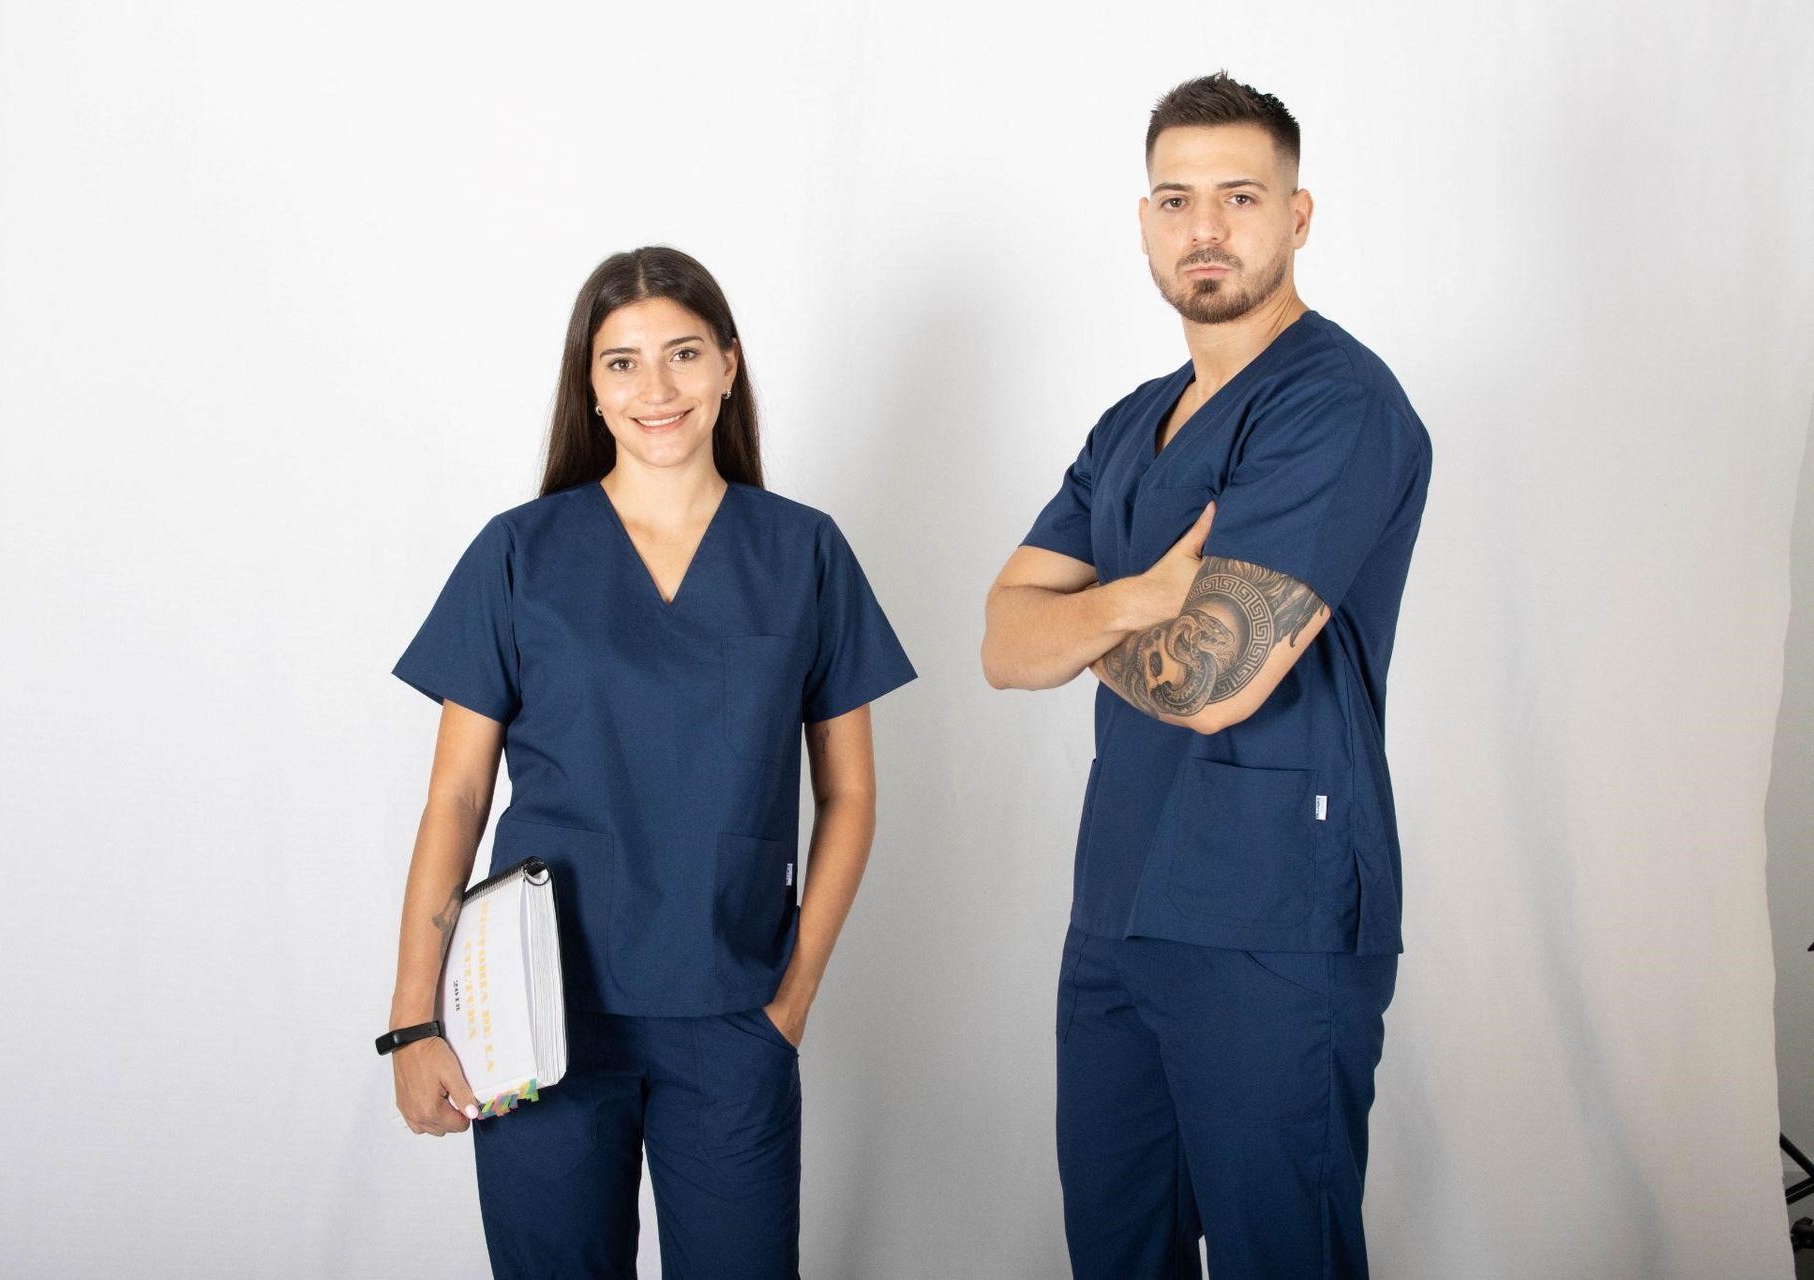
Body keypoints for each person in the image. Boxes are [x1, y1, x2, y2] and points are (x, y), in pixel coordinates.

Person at [383, 246, 916, 1278]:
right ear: (589, 384)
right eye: (621, 361)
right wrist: (412, 1019)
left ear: (728, 363)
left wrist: (790, 999)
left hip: (731, 1015)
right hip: (536, 1019)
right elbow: (456, 795)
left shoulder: (803, 552)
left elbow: (849, 796)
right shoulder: (518, 553)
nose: (655, 387)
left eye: (681, 353)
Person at [981, 74, 1431, 1278]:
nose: (1207, 228)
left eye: (1241, 195)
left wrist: (1077, 623)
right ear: (1144, 224)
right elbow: (999, 642)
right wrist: (1137, 597)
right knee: (1117, 1253)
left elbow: (1211, 683)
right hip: (1118, 911)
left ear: (1299, 216)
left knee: (1282, 1253)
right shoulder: (1133, 423)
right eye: (1176, 199)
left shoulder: (1336, 404)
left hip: (1271, 920)